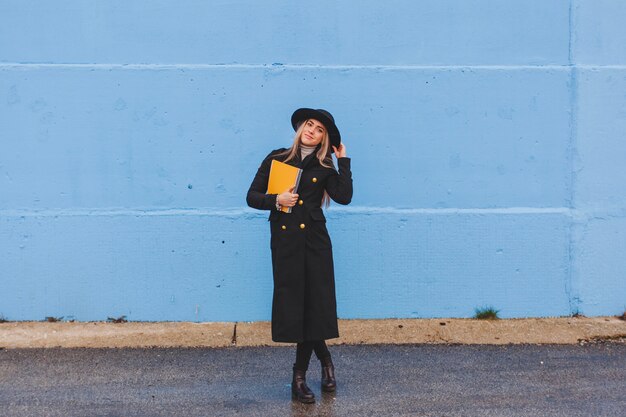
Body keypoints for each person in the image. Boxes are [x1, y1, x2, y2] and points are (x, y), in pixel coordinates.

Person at [246, 108, 353, 403]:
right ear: (300, 128)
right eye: (309, 125)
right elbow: (251, 197)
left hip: (316, 243)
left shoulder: (326, 166)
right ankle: (327, 361)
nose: (312, 131)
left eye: (319, 129)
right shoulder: (277, 158)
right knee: (296, 307)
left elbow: (344, 196)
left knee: (314, 306)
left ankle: (299, 377)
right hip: (286, 243)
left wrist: (343, 160)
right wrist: (276, 200)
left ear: (323, 138)